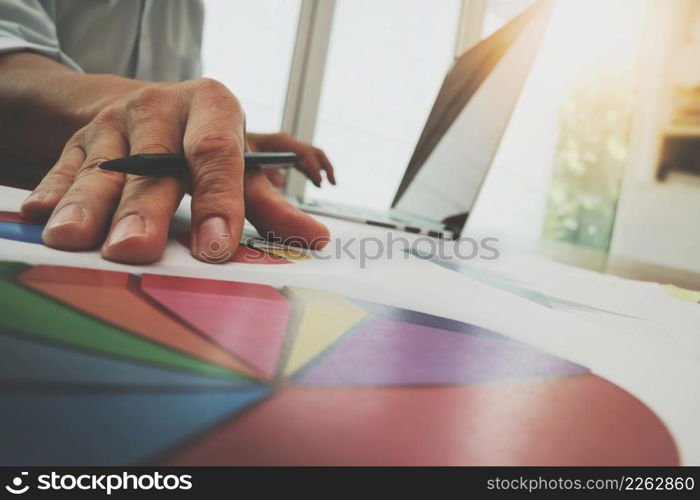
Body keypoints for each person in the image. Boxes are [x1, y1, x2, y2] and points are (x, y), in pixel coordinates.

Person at [0, 0, 335, 264]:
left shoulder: (188, 8)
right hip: (31, 205)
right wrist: (134, 108)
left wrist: (226, 143)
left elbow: (172, 112)